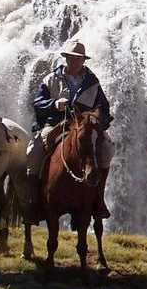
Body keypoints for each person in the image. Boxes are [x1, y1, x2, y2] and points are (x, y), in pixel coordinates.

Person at [25, 41, 114, 219]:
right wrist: (54, 104)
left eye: (78, 58)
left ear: (83, 60)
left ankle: (99, 198)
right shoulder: (51, 79)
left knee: (107, 148)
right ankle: (33, 200)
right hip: (56, 124)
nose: (74, 61)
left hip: (85, 127)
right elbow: (37, 103)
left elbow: (104, 107)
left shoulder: (92, 82)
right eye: (71, 58)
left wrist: (97, 120)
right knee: (33, 152)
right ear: (66, 58)